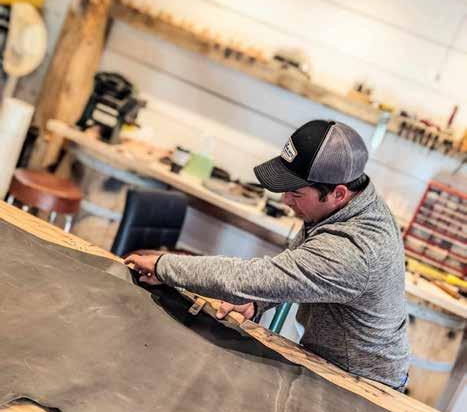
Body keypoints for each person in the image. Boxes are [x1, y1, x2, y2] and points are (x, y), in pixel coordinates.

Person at [125, 120, 409, 390]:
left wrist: (163, 265)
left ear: (338, 193)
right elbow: (295, 272)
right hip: (330, 361)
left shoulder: (355, 250)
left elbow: (253, 277)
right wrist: (256, 302)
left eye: (296, 193)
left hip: (364, 384)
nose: (285, 200)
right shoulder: (342, 208)